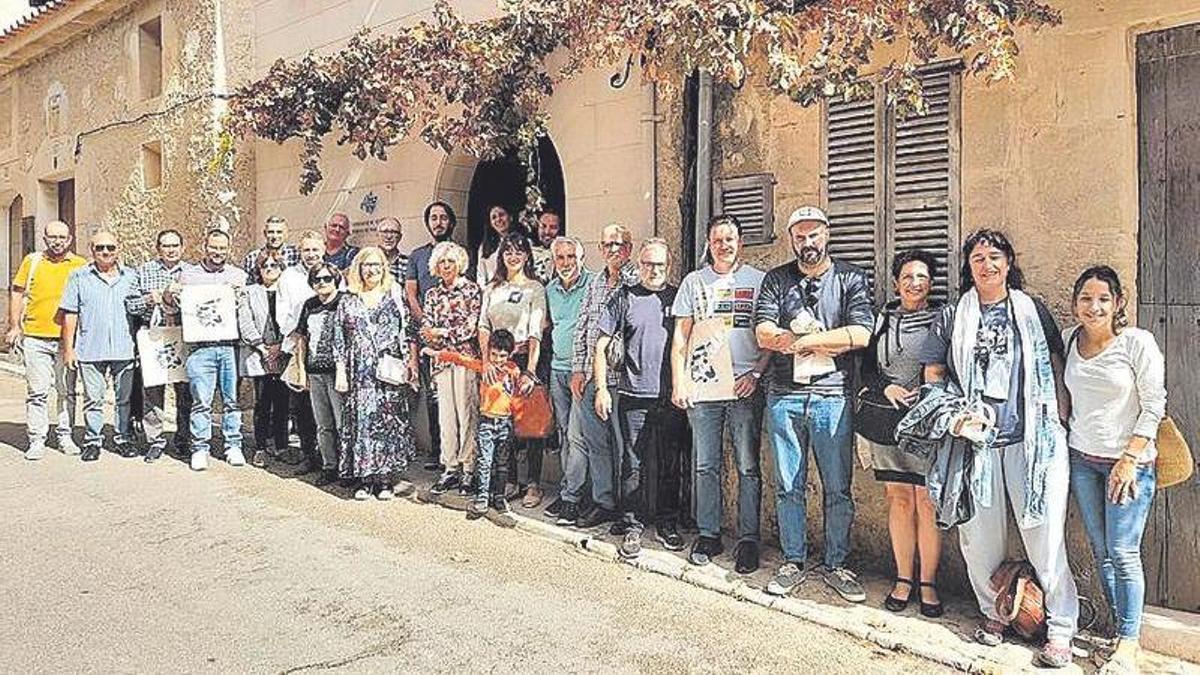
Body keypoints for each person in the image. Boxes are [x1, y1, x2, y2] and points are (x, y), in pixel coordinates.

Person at [920, 228, 1078, 667]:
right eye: (977, 258)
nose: (986, 265)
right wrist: (953, 414)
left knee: (1044, 540)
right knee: (979, 540)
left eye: (994, 257)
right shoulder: (953, 316)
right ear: (968, 268)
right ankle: (995, 614)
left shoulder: (1032, 310)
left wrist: (1059, 421)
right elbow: (934, 372)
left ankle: (1061, 628)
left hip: (1034, 441)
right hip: (976, 444)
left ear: (1009, 262)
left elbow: (1054, 364)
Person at [755, 206, 873, 603]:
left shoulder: (851, 278)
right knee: (789, 485)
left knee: (837, 487)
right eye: (800, 236)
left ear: (827, 234)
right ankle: (793, 561)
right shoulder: (777, 279)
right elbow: (762, 332)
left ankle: (836, 564)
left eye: (814, 235)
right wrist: (813, 338)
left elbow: (860, 334)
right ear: (791, 239)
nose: (808, 243)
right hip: (784, 395)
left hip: (832, 396)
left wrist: (804, 341)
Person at [1064, 266, 1165, 674]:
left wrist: (1129, 459)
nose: (1094, 306)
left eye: (1103, 298)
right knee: (1102, 552)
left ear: (1118, 302)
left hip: (1129, 465)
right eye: (1086, 298)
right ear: (1075, 304)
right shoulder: (1072, 341)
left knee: (1124, 553)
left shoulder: (1137, 343)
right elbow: (1067, 393)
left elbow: (1154, 403)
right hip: (1082, 460)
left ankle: (1129, 642)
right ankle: (1117, 633)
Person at [671, 215, 768, 573]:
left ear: (740, 242)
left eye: (729, 239)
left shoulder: (758, 281)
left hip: (744, 386)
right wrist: (679, 382)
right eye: (717, 239)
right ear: (708, 244)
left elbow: (769, 334)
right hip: (704, 387)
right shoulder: (693, 283)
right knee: (705, 464)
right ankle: (708, 533)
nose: (723, 245)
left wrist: (757, 373)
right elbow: (681, 336)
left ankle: (748, 540)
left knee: (747, 466)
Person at [858, 249, 943, 616]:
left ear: (931, 282)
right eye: (907, 277)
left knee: (927, 502)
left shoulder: (944, 318)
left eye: (921, 277)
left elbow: (952, 365)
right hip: (887, 422)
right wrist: (884, 388)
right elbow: (862, 368)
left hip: (926, 423)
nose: (914, 283)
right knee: (899, 500)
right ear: (896, 282)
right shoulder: (882, 319)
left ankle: (928, 584)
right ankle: (903, 579)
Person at [594, 238, 686, 559]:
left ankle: (667, 523)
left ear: (668, 266)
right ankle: (632, 524)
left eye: (659, 264)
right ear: (640, 264)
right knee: (631, 463)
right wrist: (603, 387)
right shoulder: (624, 297)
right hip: (632, 395)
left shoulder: (678, 299)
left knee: (670, 463)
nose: (654, 270)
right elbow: (601, 344)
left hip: (670, 397)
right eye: (648, 264)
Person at [333, 247, 418, 501]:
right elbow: (339, 336)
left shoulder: (394, 295)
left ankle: (384, 481)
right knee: (362, 425)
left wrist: (411, 362)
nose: (372, 270)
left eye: (377, 265)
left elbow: (408, 330)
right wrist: (340, 371)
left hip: (388, 372)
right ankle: (365, 480)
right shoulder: (348, 298)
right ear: (359, 268)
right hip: (359, 373)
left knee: (388, 424)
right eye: (367, 265)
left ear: (384, 269)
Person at [569, 223, 638, 528]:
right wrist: (578, 370)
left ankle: (628, 509)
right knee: (597, 443)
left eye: (619, 244)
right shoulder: (595, 283)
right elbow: (582, 327)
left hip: (625, 381)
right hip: (593, 378)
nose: (613, 250)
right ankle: (604, 501)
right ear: (600, 249)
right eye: (607, 244)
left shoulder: (636, 280)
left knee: (626, 448)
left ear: (629, 249)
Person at [168, 228, 248, 472]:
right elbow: (171, 307)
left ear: (229, 249)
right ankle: (199, 448)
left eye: (222, 248)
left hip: (228, 347)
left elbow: (245, 309)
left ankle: (233, 445)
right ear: (205, 246)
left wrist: (239, 296)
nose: (218, 252)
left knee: (231, 400)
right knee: (200, 402)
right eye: (214, 247)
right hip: (199, 349)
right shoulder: (188, 275)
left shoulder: (238, 276)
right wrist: (169, 294)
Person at [477, 231, 547, 508]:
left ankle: (533, 484)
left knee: (530, 425)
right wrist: (486, 362)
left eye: (519, 251)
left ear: (527, 255)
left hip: (523, 360)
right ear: (501, 256)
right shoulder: (492, 288)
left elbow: (536, 332)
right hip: (496, 363)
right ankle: (510, 481)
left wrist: (530, 371)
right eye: (508, 251)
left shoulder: (535, 288)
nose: (513, 256)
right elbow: (483, 325)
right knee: (503, 424)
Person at [7, 220, 86, 459]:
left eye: (62, 237)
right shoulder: (32, 262)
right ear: (45, 239)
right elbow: (17, 292)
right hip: (35, 337)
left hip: (67, 340)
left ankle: (65, 435)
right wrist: (14, 326)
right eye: (53, 237)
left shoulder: (80, 265)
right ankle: (37, 439)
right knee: (37, 391)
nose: (57, 241)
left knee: (66, 391)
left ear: (70, 239)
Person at [59, 229, 138, 462]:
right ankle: (93, 441)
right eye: (100, 248)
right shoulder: (78, 277)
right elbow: (71, 313)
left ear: (118, 249)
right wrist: (69, 349)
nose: (105, 252)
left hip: (125, 348)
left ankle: (123, 438)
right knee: (94, 399)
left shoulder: (131, 277)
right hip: (90, 348)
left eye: (110, 248)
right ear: (91, 250)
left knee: (123, 399)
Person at [426, 329, 522, 518]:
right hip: (486, 421)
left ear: (509, 355)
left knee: (502, 463)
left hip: (505, 423)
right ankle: (482, 497)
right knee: (484, 462)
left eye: (502, 355)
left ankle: (499, 497)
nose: (497, 359)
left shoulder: (512, 370)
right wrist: (437, 354)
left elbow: (519, 390)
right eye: (493, 354)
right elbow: (461, 359)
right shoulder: (483, 366)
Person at [421, 242, 483, 496]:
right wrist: (432, 335)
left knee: (467, 414)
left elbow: (470, 328)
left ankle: (469, 468)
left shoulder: (471, 290)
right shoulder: (432, 295)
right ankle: (450, 467)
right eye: (442, 262)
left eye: (451, 261)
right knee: (445, 416)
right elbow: (425, 328)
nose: (446, 266)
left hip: (464, 359)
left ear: (460, 263)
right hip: (441, 362)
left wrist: (441, 332)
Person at [126, 229, 193, 462]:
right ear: (158, 248)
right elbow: (130, 305)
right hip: (153, 336)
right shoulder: (144, 272)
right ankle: (155, 439)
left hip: (183, 334)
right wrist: (148, 299)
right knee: (153, 390)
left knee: (185, 390)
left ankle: (184, 438)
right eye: (166, 245)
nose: (171, 249)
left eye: (175, 245)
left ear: (182, 247)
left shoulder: (191, 272)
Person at [542, 236, 594, 520]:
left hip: (581, 370)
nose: (566, 262)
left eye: (571, 257)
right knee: (564, 434)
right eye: (560, 257)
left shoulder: (593, 284)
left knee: (578, 435)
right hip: (557, 369)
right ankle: (569, 491)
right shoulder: (550, 289)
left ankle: (573, 497)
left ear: (581, 259)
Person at [406, 201, 458, 471]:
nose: (438, 222)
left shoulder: (461, 253)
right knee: (433, 396)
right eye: (433, 218)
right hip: (427, 338)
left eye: (443, 217)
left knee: (459, 396)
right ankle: (438, 452)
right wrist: (427, 326)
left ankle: (458, 455)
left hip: (457, 340)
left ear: (451, 222)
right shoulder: (417, 256)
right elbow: (412, 295)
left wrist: (450, 332)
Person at [292, 262, 345, 486]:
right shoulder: (309, 305)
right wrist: (302, 371)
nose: (322, 283)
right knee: (323, 424)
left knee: (343, 422)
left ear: (335, 280)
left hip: (338, 374)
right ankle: (329, 466)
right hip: (315, 373)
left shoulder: (345, 301)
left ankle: (347, 467)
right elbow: (302, 339)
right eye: (317, 280)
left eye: (326, 279)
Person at [277, 230, 326, 468]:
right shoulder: (288, 277)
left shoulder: (332, 275)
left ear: (323, 249)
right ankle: (309, 454)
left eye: (315, 249)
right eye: (306, 249)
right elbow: (282, 312)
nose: (310, 254)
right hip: (298, 347)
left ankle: (330, 456)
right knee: (302, 406)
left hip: (326, 350)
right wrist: (297, 333)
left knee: (325, 406)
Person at [237, 250, 290, 467]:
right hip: (259, 354)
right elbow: (245, 322)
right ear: (258, 270)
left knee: (283, 403)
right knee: (262, 403)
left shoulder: (287, 291)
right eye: (265, 266)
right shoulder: (249, 292)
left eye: (274, 265)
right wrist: (262, 347)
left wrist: (281, 347)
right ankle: (260, 447)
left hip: (284, 353)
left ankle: (281, 446)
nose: (269, 269)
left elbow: (293, 319)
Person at [475, 205, 528, 286]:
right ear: (491, 224)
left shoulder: (523, 242)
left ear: (510, 217)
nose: (498, 219)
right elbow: (481, 275)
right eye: (494, 217)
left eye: (501, 215)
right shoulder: (485, 247)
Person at [242, 215, 300, 285]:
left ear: (286, 234)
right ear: (265, 233)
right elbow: (248, 285)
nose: (275, 236)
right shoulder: (252, 258)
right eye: (271, 232)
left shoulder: (296, 254)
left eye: (279, 232)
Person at [531, 209, 561, 284]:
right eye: (543, 226)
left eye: (553, 227)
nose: (547, 232)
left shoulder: (566, 255)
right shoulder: (528, 252)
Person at [377, 217, 409, 283]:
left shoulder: (409, 263)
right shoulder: (367, 261)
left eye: (394, 232)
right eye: (385, 232)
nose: (389, 236)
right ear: (377, 235)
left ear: (400, 237)